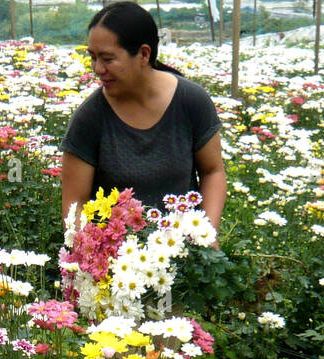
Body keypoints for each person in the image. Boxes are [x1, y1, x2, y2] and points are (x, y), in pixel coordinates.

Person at [60, 2, 225, 227]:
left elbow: (212, 172)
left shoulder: (191, 101)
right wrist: (93, 250)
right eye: (93, 57)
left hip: (184, 249)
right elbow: (75, 208)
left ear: (144, 54)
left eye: (107, 59)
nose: (98, 68)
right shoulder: (90, 119)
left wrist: (206, 234)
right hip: (117, 257)